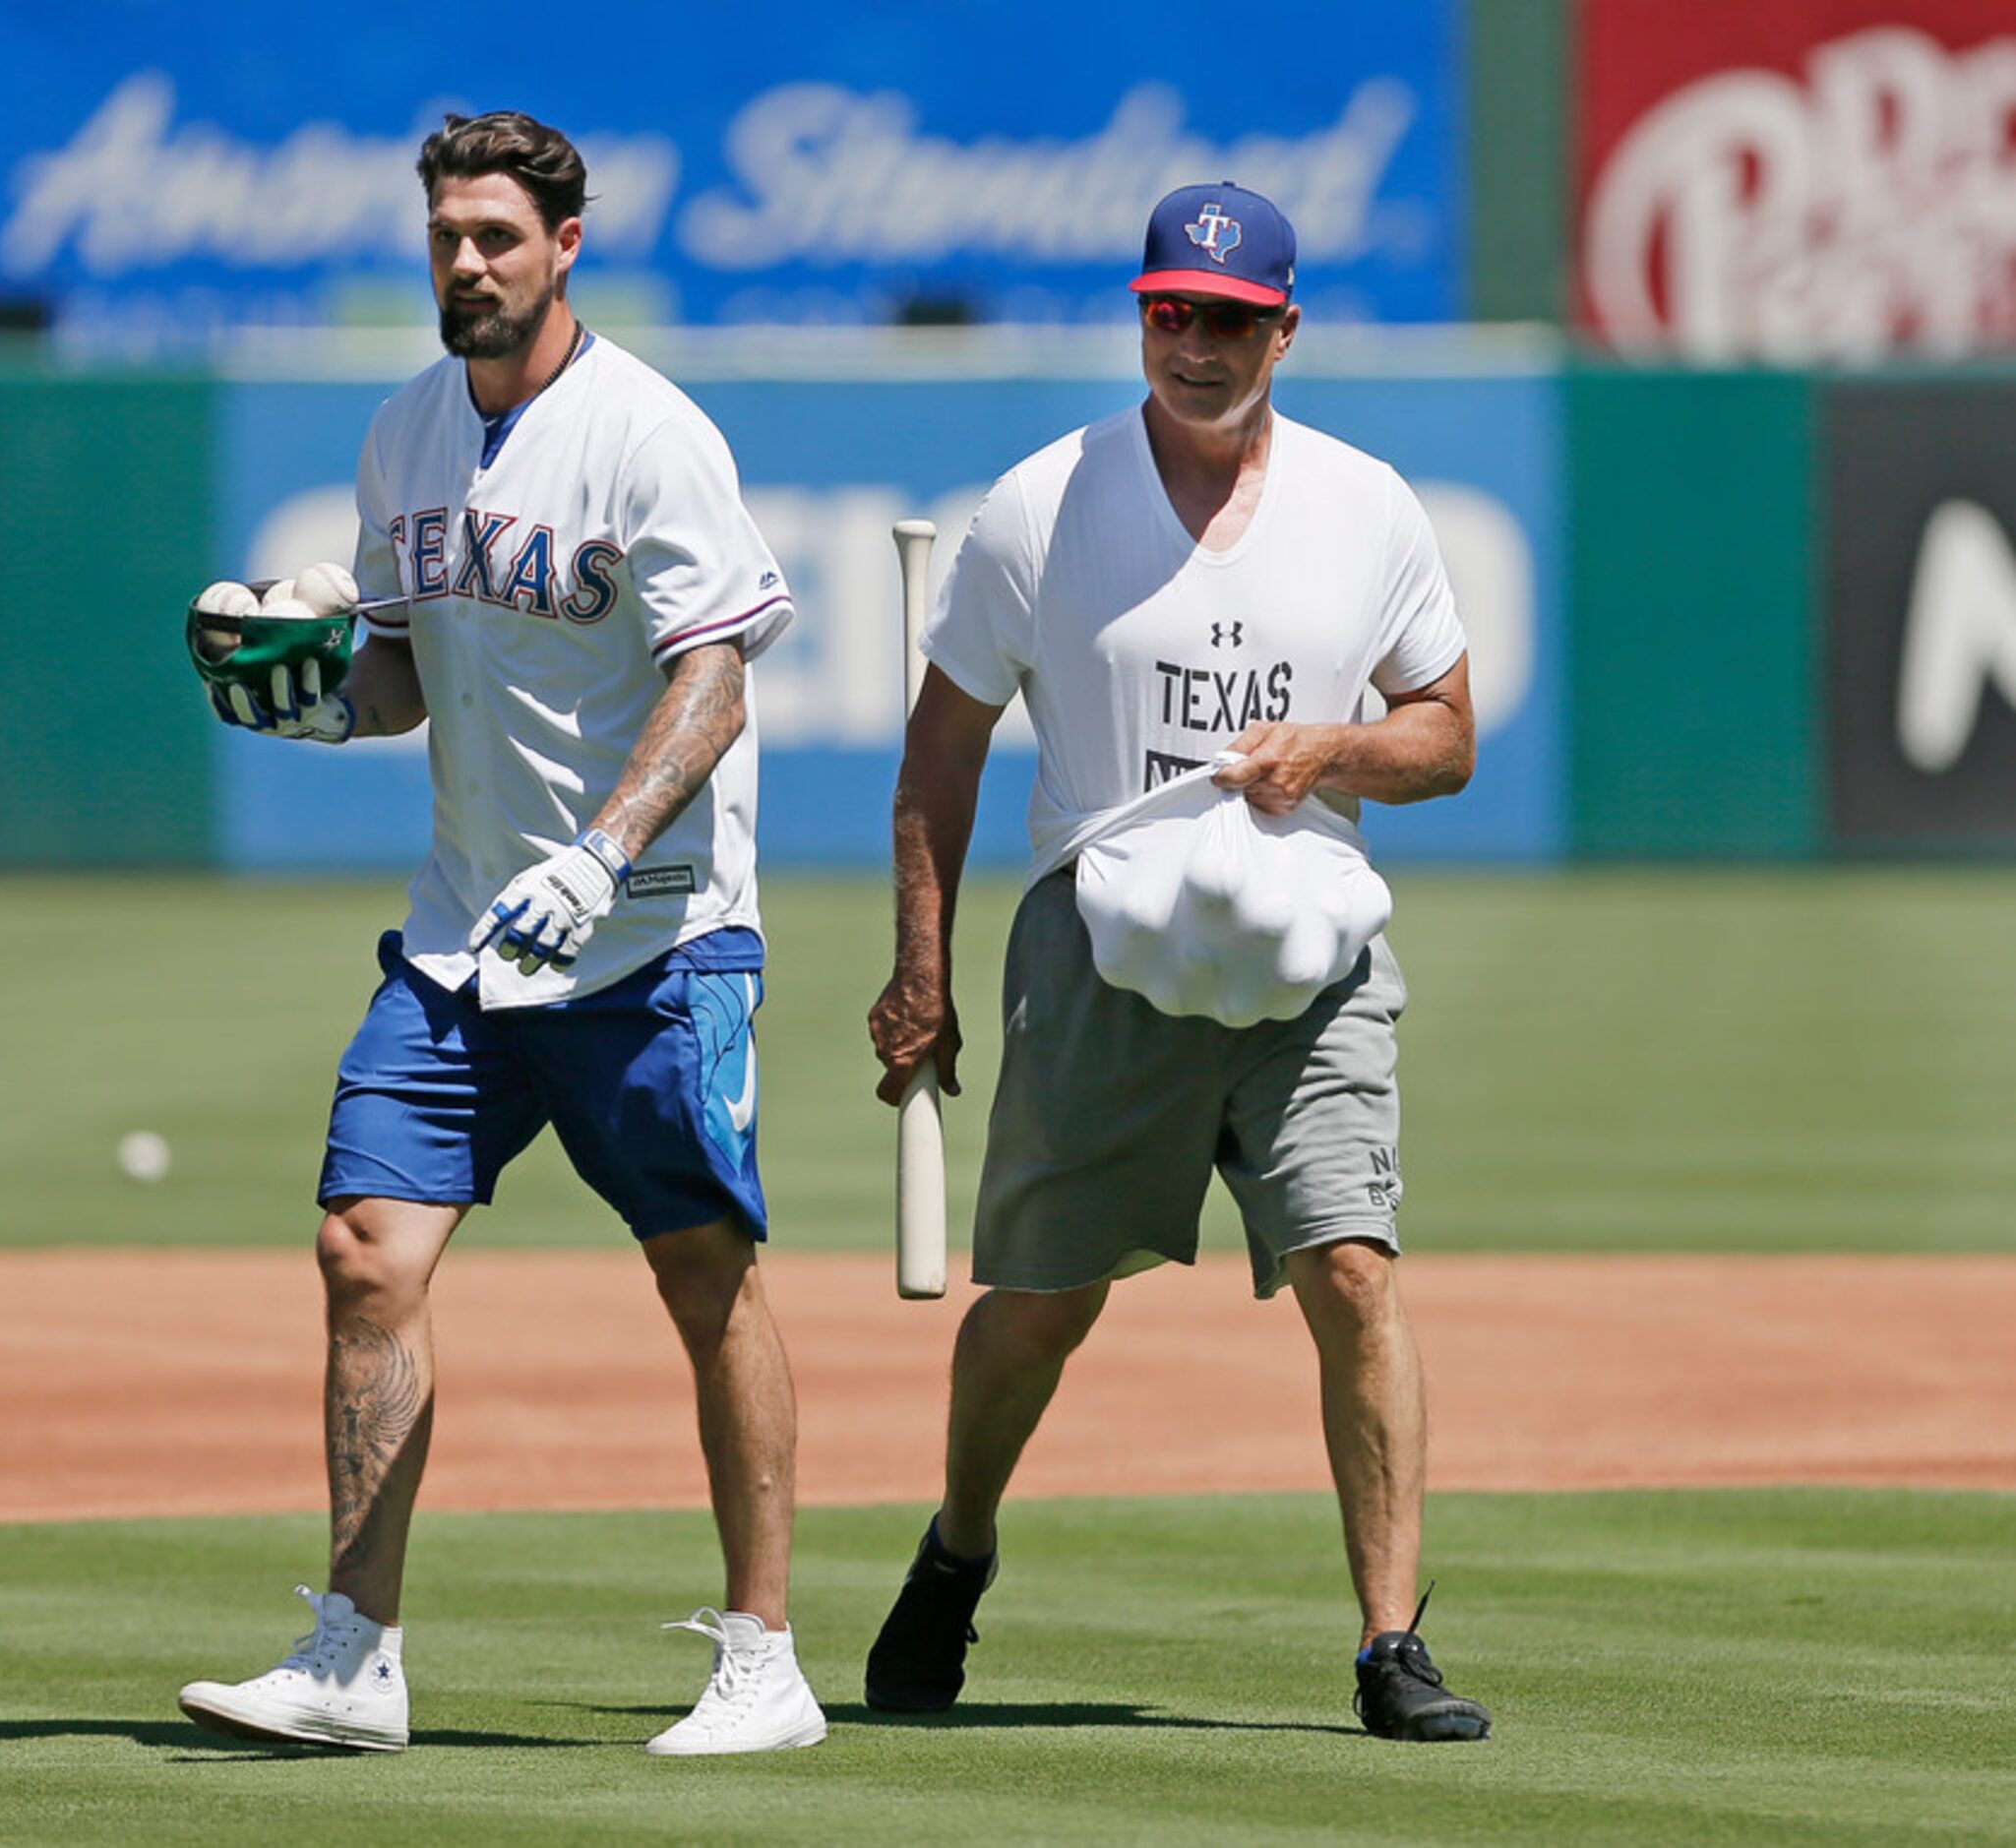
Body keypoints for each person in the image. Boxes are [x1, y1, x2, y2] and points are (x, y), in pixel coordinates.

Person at [176, 110, 824, 1758]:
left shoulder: (645, 433)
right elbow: (399, 671)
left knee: (704, 1276)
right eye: (447, 237)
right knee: (362, 1254)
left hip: (653, 941)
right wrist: (314, 704)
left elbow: (718, 674)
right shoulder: (400, 437)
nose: (468, 264)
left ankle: (763, 1656)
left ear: (564, 246)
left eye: (498, 238)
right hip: (466, 938)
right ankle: (352, 1655)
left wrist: (606, 854)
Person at [861, 181, 1493, 1743]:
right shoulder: (1038, 506)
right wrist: (920, 970)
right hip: (1102, 945)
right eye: (1164, 313)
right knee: (1039, 1304)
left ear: (1283, 328)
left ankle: (1390, 1640)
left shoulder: (1367, 506)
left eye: (1222, 319)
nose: (1190, 346)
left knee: (1352, 1270)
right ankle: (957, 1547)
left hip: (1313, 955)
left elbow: (1448, 734)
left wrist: (1337, 742)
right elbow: (940, 753)